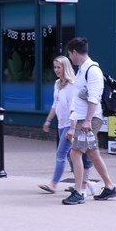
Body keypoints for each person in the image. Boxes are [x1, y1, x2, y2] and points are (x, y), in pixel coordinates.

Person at [62, 37, 116, 204]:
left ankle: (79, 192)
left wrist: (86, 121)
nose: (70, 58)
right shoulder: (82, 69)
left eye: (70, 54)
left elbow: (94, 97)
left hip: (88, 119)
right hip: (84, 118)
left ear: (74, 52)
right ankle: (110, 187)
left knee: (75, 153)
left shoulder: (92, 70)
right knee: (92, 154)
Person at [38, 55, 95, 196]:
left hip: (71, 124)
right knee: (71, 156)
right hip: (61, 123)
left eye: (59, 67)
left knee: (61, 154)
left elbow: (74, 108)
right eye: (55, 67)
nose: (56, 70)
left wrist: (72, 128)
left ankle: (53, 184)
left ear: (66, 67)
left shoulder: (72, 85)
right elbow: (55, 104)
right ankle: (86, 184)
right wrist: (48, 121)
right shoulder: (57, 84)